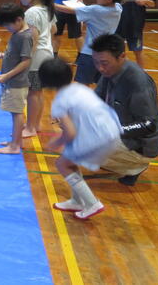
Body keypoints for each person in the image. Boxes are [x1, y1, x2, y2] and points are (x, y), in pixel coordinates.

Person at [38, 57, 120, 220]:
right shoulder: (81, 88)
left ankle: (92, 203)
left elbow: (70, 133)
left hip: (98, 137)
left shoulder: (60, 101)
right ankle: (77, 201)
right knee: (70, 161)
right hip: (112, 130)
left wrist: (56, 142)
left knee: (62, 164)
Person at [92, 34, 158, 185]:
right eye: (96, 62)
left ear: (122, 57)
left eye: (104, 63)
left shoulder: (137, 82)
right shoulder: (109, 71)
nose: (100, 68)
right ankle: (124, 162)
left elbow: (149, 124)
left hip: (142, 144)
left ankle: (135, 166)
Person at [54, 0, 122, 85]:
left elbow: (69, 10)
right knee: (101, 86)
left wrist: (50, 4)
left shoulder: (95, 10)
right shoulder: (118, 8)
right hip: (107, 54)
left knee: (81, 85)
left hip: (90, 54)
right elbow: (104, 3)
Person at [18, 0, 56, 138]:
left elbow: (32, 39)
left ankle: (30, 128)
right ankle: (36, 124)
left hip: (36, 57)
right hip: (47, 54)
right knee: (38, 92)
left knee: (32, 93)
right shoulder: (47, 9)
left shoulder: (32, 12)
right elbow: (53, 30)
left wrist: (25, 59)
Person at [0, 3, 32, 155]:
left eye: (8, 25)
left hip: (17, 82)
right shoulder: (17, 33)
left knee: (17, 113)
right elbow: (16, 55)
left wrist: (7, 76)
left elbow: (26, 61)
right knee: (14, 112)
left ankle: (15, 146)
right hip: (12, 81)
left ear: (19, 20)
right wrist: (3, 55)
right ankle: (17, 141)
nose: (7, 29)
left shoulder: (25, 36)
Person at [115, 0, 156, 68]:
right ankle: (124, 71)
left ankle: (141, 73)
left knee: (138, 51)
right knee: (118, 51)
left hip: (135, 25)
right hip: (118, 24)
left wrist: (146, 0)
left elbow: (153, 4)